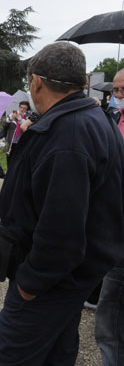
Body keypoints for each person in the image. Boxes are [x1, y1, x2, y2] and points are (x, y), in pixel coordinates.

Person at [0, 42, 124, 365]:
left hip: (50, 284)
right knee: (55, 355)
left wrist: (30, 283)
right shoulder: (91, 119)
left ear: (36, 82)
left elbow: (62, 229)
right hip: (70, 279)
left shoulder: (67, 134)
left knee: (7, 358)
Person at [95, 67, 124, 366]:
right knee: (109, 315)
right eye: (115, 90)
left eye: (123, 90)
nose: (118, 96)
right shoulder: (114, 118)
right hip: (115, 226)